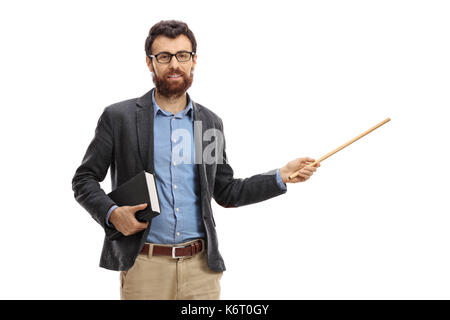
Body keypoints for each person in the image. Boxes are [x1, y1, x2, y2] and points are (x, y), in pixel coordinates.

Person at [72, 19, 320, 300]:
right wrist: (113, 214)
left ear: (194, 60)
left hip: (202, 270)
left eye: (182, 55)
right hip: (145, 267)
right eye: (164, 56)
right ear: (149, 62)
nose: (174, 64)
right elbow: (84, 180)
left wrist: (280, 175)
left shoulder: (209, 124)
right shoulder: (120, 118)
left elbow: (226, 191)